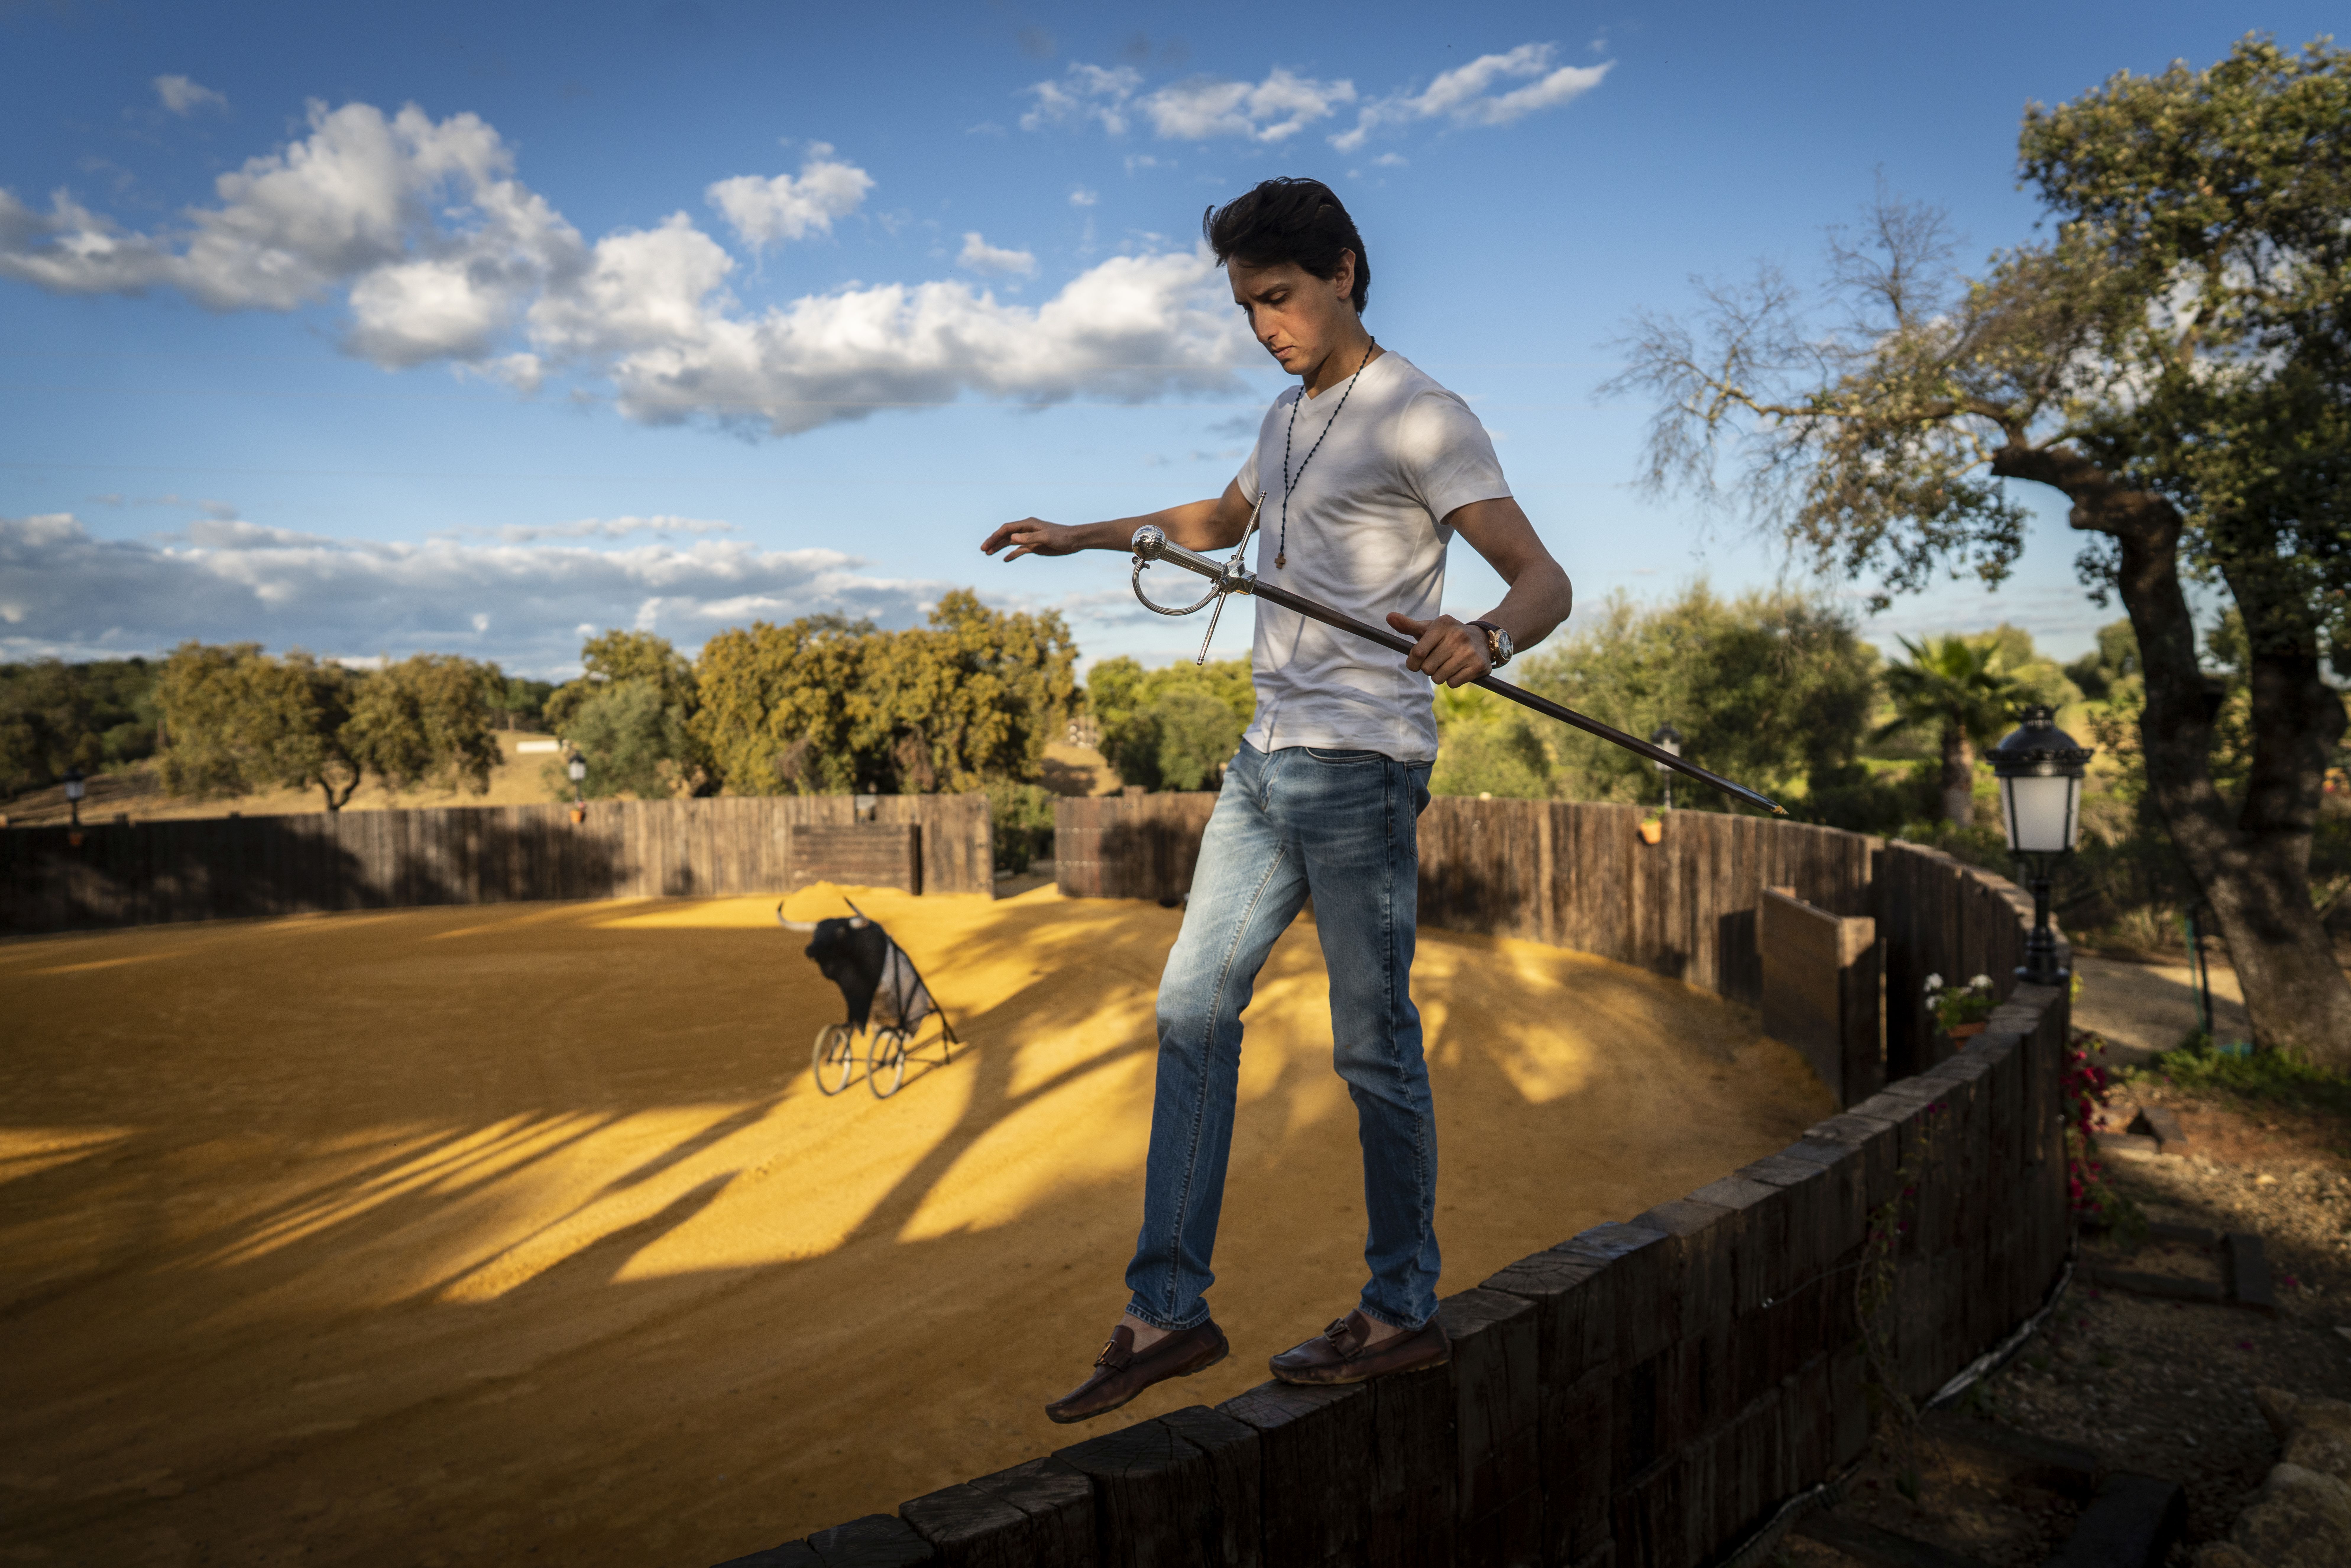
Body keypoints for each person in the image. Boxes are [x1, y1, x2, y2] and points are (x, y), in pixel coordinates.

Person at [980, 177, 1573, 1423]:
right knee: (1191, 1008)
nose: (1265, 324)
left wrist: (1486, 638)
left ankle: (1401, 1306)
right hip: (1265, 763)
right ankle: (1166, 1313)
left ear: (1344, 271)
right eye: (1248, 305)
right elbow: (1216, 521)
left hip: (1362, 769)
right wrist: (1079, 535)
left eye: (1280, 297)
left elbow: (1539, 577)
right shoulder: (1280, 419)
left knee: (1372, 1046)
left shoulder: (1419, 414)